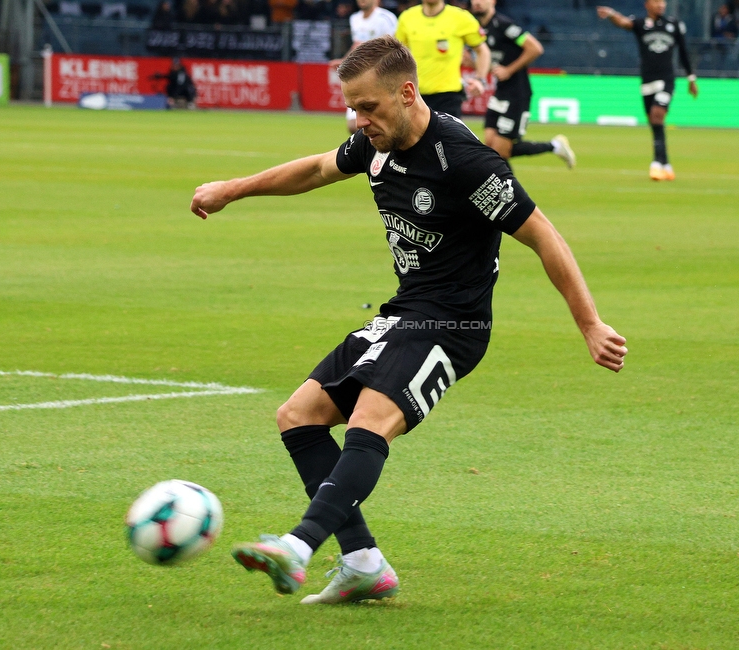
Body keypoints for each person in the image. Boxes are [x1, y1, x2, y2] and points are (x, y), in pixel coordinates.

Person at [189, 36, 627, 605]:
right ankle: (363, 563)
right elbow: (318, 168)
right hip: (404, 313)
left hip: (454, 326)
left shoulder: (464, 161)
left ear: (407, 92)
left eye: (368, 107)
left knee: (370, 419)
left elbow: (543, 235)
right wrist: (231, 189)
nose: (358, 119)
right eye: (351, 107)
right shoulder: (373, 145)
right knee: (298, 416)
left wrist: (589, 323)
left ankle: (298, 547)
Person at [597, 0, 698, 181]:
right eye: (657, 2)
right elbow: (623, 22)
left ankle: (657, 163)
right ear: (647, 4)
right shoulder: (641, 24)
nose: (661, 5)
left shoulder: (673, 25)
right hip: (647, 81)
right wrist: (611, 13)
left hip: (666, 80)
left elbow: (683, 52)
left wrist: (691, 78)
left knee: (657, 114)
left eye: (663, 2)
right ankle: (666, 165)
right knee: (654, 121)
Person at [470, 0, 577, 168]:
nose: (477, 2)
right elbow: (489, 59)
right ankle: (507, 192)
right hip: (501, 92)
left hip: (517, 93)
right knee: (490, 145)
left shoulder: (504, 25)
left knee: (501, 151)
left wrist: (509, 70)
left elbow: (535, 48)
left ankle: (554, 146)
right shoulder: (479, 29)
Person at [395, 0, 491, 117]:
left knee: (445, 135)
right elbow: (397, 54)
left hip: (448, 96)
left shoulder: (460, 17)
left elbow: (483, 51)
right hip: (415, 95)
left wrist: (480, 80)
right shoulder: (407, 17)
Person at [331, 0, 399, 133]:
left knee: (380, 122)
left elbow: (395, 46)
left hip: (380, 77)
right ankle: (369, 152)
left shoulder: (386, 18)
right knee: (353, 125)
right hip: (360, 76)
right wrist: (344, 60)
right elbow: (356, 46)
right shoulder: (355, 19)